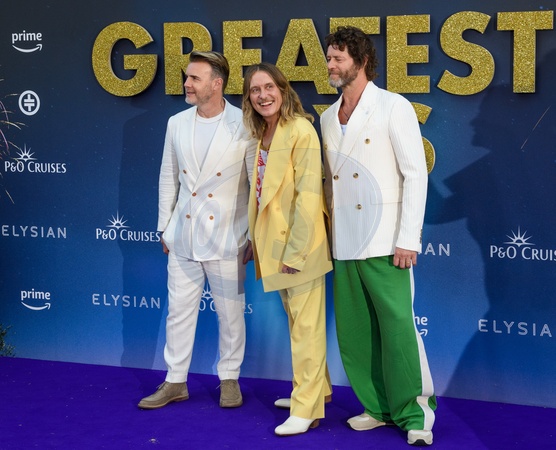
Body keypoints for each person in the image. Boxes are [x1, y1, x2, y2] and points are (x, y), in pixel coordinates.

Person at [320, 26, 437, 446]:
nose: (331, 65)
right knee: (356, 333)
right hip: (345, 241)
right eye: (329, 58)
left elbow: (415, 174)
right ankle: (378, 407)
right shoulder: (327, 117)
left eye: (338, 58)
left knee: (398, 330)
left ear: (362, 60)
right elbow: (332, 185)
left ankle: (415, 413)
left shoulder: (393, 105)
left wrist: (409, 238)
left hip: (387, 241)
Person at [138, 51, 255, 410]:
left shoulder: (245, 123)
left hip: (228, 237)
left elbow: (257, 184)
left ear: (217, 84)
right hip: (184, 235)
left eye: (194, 78)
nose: (186, 84)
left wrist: (252, 235)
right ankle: (175, 380)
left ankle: (229, 378)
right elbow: (167, 177)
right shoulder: (176, 122)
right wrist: (164, 227)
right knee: (178, 311)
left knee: (231, 313)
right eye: (187, 77)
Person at [242, 62, 333, 436]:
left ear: (283, 89)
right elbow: (260, 195)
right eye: (255, 90)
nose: (263, 95)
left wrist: (296, 253)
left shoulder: (301, 129)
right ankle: (314, 392)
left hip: (300, 247)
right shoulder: (261, 132)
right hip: (273, 245)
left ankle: (306, 408)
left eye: (269, 87)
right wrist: (254, 240)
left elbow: (309, 197)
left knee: (306, 330)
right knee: (299, 324)